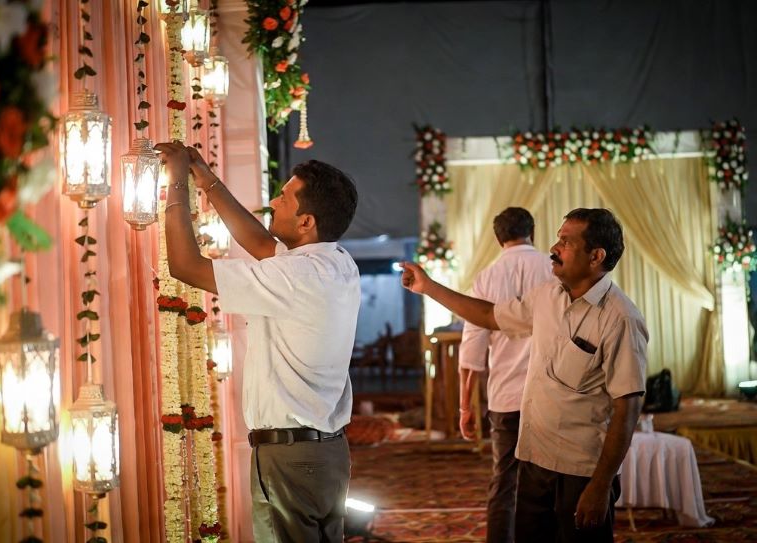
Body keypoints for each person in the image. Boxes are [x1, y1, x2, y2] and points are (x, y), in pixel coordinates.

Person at [402, 208, 647, 543]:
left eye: (565, 241)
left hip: (580, 470)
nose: (554, 247)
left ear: (596, 256)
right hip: (535, 459)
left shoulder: (621, 318)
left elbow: (628, 405)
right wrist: (428, 287)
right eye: (558, 238)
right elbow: (489, 315)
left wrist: (600, 485)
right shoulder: (548, 295)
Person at [156, 142, 360, 542]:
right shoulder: (334, 262)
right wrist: (207, 179)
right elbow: (262, 246)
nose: (273, 202)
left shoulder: (297, 277)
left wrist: (176, 181)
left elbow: (185, 265)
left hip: (290, 455)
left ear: (306, 222)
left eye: (284, 198)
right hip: (321, 453)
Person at [458, 207, 552, 543]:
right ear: (533, 232)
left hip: (506, 397)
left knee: (505, 480)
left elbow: (472, 346)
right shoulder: (554, 268)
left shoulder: (486, 277)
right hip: (551, 395)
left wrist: (465, 407)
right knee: (551, 478)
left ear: (499, 239)